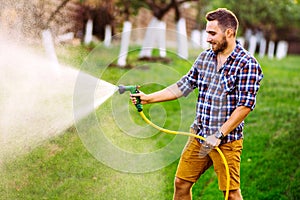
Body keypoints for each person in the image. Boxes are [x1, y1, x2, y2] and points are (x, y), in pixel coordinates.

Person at [131, 8, 263, 200]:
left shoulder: (247, 64)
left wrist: (219, 135)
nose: (208, 39)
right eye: (207, 33)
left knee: (232, 194)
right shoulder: (205, 58)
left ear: (229, 32)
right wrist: (149, 98)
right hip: (199, 135)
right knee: (181, 183)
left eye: (212, 33)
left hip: (226, 141)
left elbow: (245, 106)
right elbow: (182, 86)